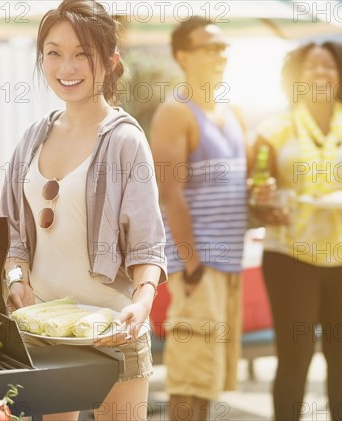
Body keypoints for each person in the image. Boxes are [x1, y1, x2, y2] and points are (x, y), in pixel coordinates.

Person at [0, 1, 167, 420]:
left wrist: (143, 303)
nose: (66, 66)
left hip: (113, 330)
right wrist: (16, 279)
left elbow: (148, 246)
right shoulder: (32, 138)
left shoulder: (126, 140)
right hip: (44, 329)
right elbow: (15, 237)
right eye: (54, 52)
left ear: (110, 62)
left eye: (82, 53)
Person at [253, 42, 342, 420]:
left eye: (329, 66)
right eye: (311, 66)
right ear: (296, 77)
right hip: (290, 255)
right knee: (294, 359)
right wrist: (261, 201)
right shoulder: (272, 131)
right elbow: (255, 191)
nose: (320, 73)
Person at [150, 17, 248, 421]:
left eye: (223, 46)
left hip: (227, 266)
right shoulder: (175, 112)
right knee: (188, 381)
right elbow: (169, 192)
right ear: (183, 56)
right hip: (199, 266)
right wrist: (191, 263)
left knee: (208, 380)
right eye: (209, 47)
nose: (220, 53)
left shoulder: (232, 111)